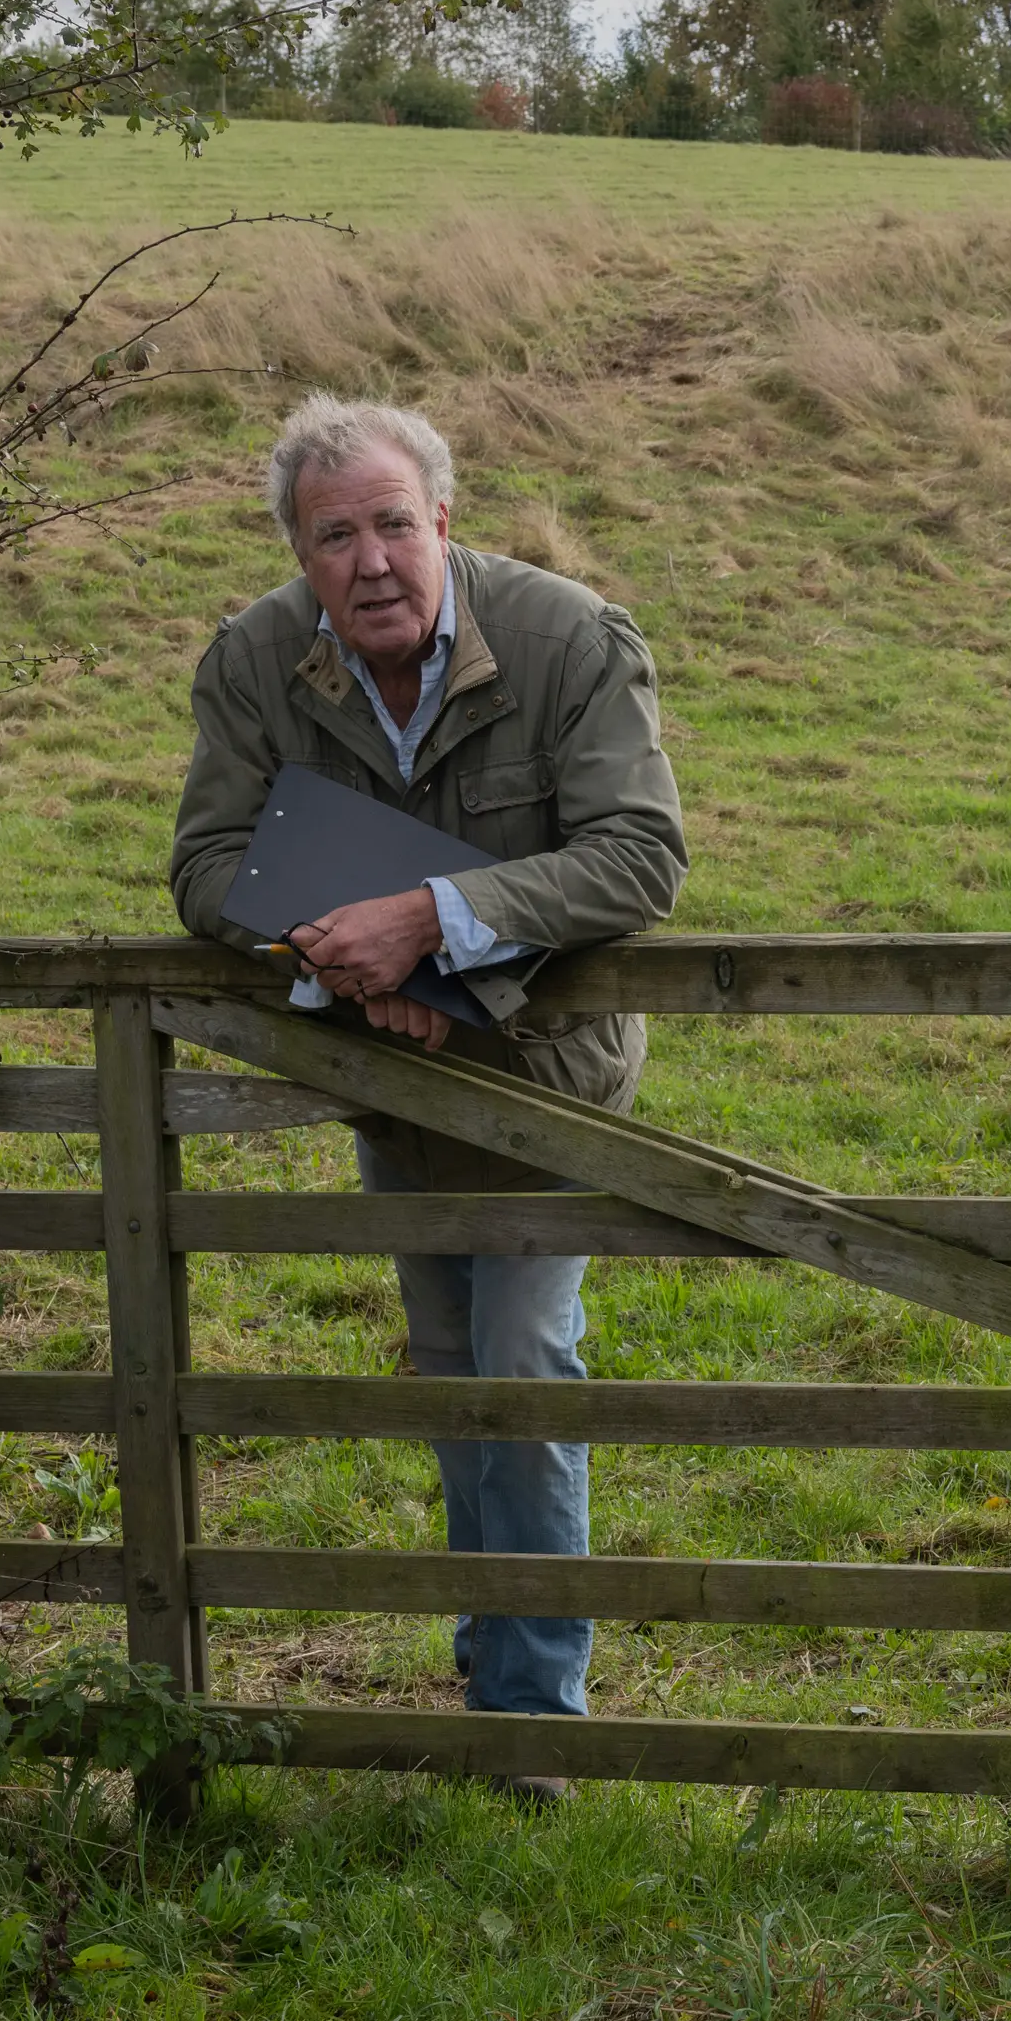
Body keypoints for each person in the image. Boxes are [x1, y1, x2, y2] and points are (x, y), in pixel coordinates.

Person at [170, 395, 686, 1779]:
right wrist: (342, 951)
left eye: (395, 523)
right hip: (391, 1074)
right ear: (299, 553)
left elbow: (640, 853)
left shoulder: (569, 637)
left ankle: (529, 1717)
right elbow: (208, 861)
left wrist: (436, 922)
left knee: (522, 1364)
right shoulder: (256, 660)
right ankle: (498, 1648)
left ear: (445, 520)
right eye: (333, 536)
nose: (372, 561)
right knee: (453, 1375)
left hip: (544, 1084)